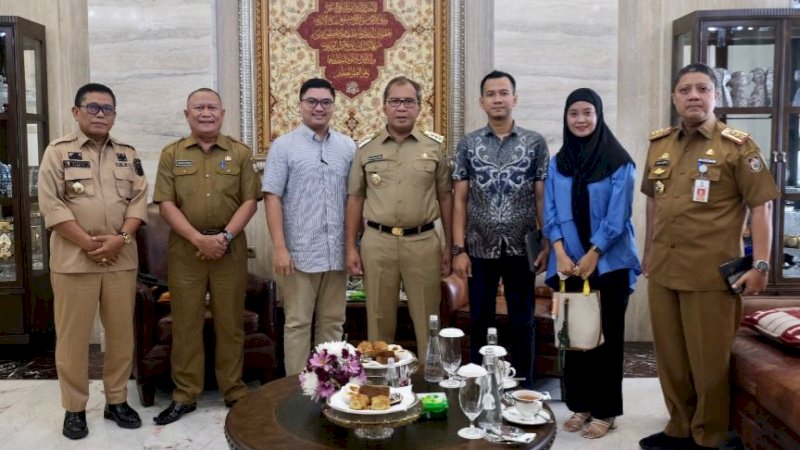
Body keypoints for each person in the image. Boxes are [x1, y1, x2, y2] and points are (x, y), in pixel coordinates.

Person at [639, 63, 778, 450]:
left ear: (715, 95)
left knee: (708, 363)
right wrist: (648, 251)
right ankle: (679, 428)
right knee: (670, 360)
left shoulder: (738, 146)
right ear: (675, 98)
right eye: (685, 90)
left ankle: (710, 436)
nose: (693, 96)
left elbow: (761, 208)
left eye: (702, 89)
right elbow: (654, 203)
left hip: (710, 276)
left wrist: (761, 264)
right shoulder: (659, 144)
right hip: (664, 271)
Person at [38, 83, 148, 439]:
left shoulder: (128, 154)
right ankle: (74, 408)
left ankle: (116, 401)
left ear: (115, 115)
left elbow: (139, 202)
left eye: (108, 109)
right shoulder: (57, 152)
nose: (101, 115)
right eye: (93, 108)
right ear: (76, 112)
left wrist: (121, 239)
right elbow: (51, 204)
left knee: (120, 336)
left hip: (121, 259)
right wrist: (87, 242)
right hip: (74, 260)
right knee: (73, 338)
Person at [152, 88, 261, 425]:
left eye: (212, 107)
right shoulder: (171, 154)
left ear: (223, 113)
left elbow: (250, 201)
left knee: (230, 323)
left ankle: (234, 391)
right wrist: (198, 239)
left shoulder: (241, 154)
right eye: (198, 107)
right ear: (187, 114)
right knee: (186, 323)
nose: (205, 113)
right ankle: (185, 394)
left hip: (229, 248)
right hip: (186, 248)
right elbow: (165, 204)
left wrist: (224, 237)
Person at [543, 87, 641, 439]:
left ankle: (606, 411)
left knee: (606, 340)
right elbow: (550, 211)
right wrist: (561, 252)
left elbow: (618, 216)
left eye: (587, 113)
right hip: (567, 264)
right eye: (574, 114)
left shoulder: (619, 161)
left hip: (608, 264)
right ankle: (580, 406)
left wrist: (593, 253)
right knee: (575, 339)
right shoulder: (558, 162)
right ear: (566, 119)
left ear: (598, 116)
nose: (581, 120)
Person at [452, 70, 549, 388]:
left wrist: (546, 241)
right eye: (491, 94)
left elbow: (540, 196)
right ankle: (480, 384)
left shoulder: (535, 143)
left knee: (523, 320)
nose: (497, 99)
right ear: (482, 102)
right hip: (480, 246)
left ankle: (523, 385)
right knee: (481, 320)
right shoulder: (468, 144)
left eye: (503, 93)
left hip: (522, 246)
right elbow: (460, 199)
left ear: (514, 99)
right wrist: (458, 249)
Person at [345, 76, 452, 358]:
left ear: (419, 108)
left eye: (408, 101)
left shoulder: (434, 147)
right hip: (377, 243)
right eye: (395, 101)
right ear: (384, 107)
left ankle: (430, 383)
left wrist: (450, 245)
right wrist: (350, 247)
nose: (401, 108)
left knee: (428, 320)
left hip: (424, 242)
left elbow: (446, 197)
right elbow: (355, 198)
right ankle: (380, 386)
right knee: (379, 321)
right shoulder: (366, 149)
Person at [263, 78, 356, 375]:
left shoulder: (347, 146)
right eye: (312, 102)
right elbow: (272, 197)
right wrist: (279, 247)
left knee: (333, 322)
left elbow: (355, 199)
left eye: (326, 102)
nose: (319, 108)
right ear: (300, 105)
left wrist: (355, 246)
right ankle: (296, 391)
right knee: (298, 323)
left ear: (333, 106)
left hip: (337, 252)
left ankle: (328, 386)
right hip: (299, 252)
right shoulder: (283, 146)